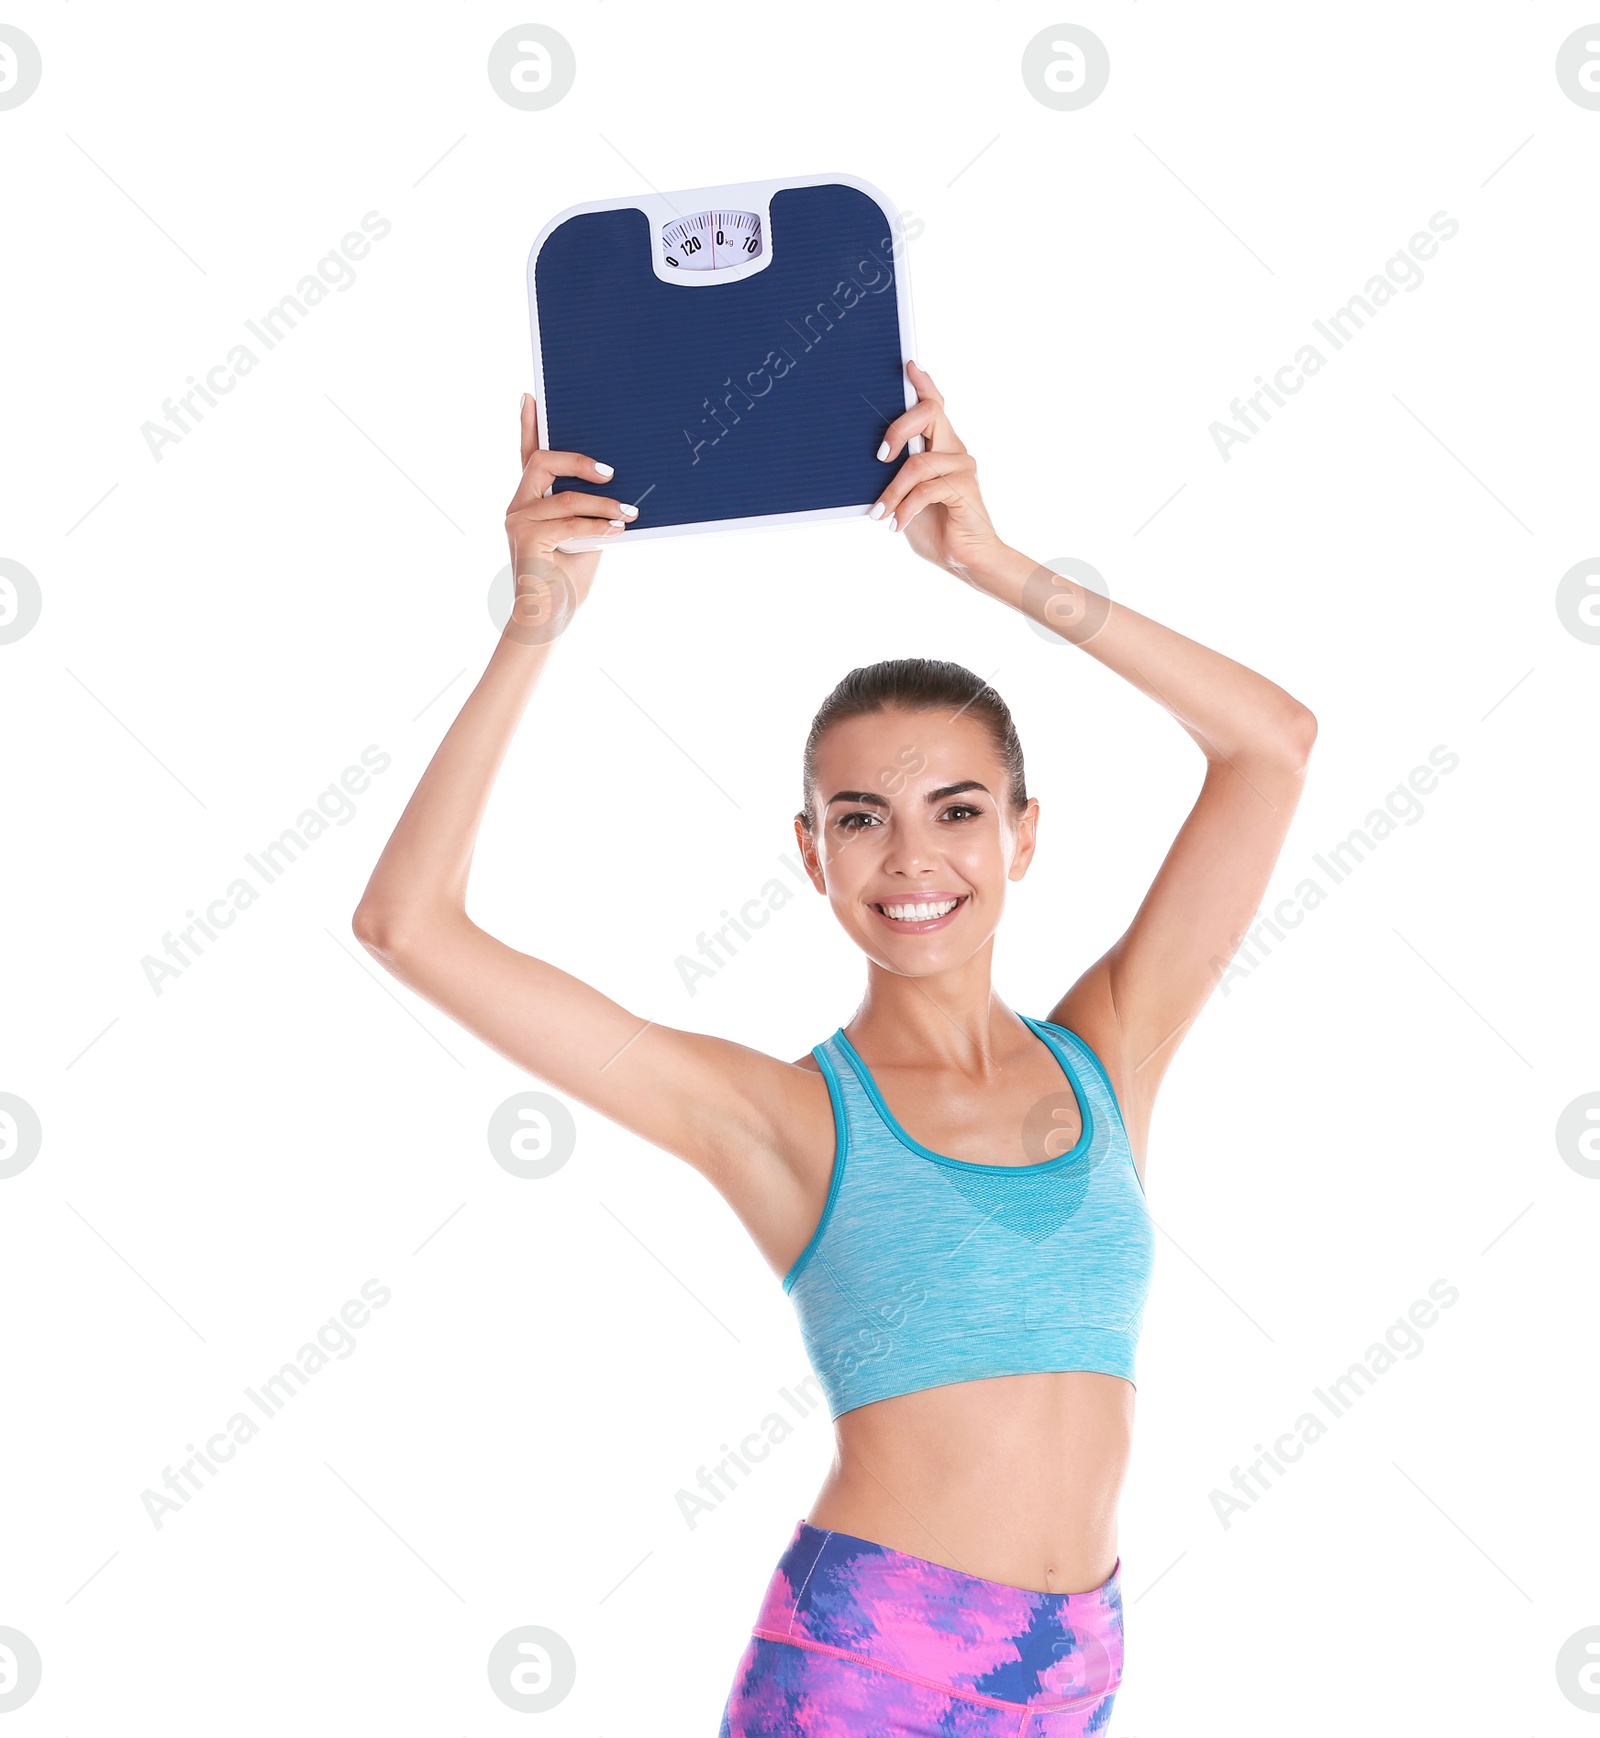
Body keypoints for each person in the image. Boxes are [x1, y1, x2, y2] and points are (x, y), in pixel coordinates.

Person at [352, 361, 1316, 1734]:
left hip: (1080, 1671)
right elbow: (408, 926)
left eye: (957, 808)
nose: (912, 855)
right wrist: (534, 627)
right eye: (860, 816)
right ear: (811, 855)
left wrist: (994, 564)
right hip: (867, 1674)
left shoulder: (1114, 1052)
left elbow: (1273, 745)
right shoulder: (782, 1118)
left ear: (1022, 836)